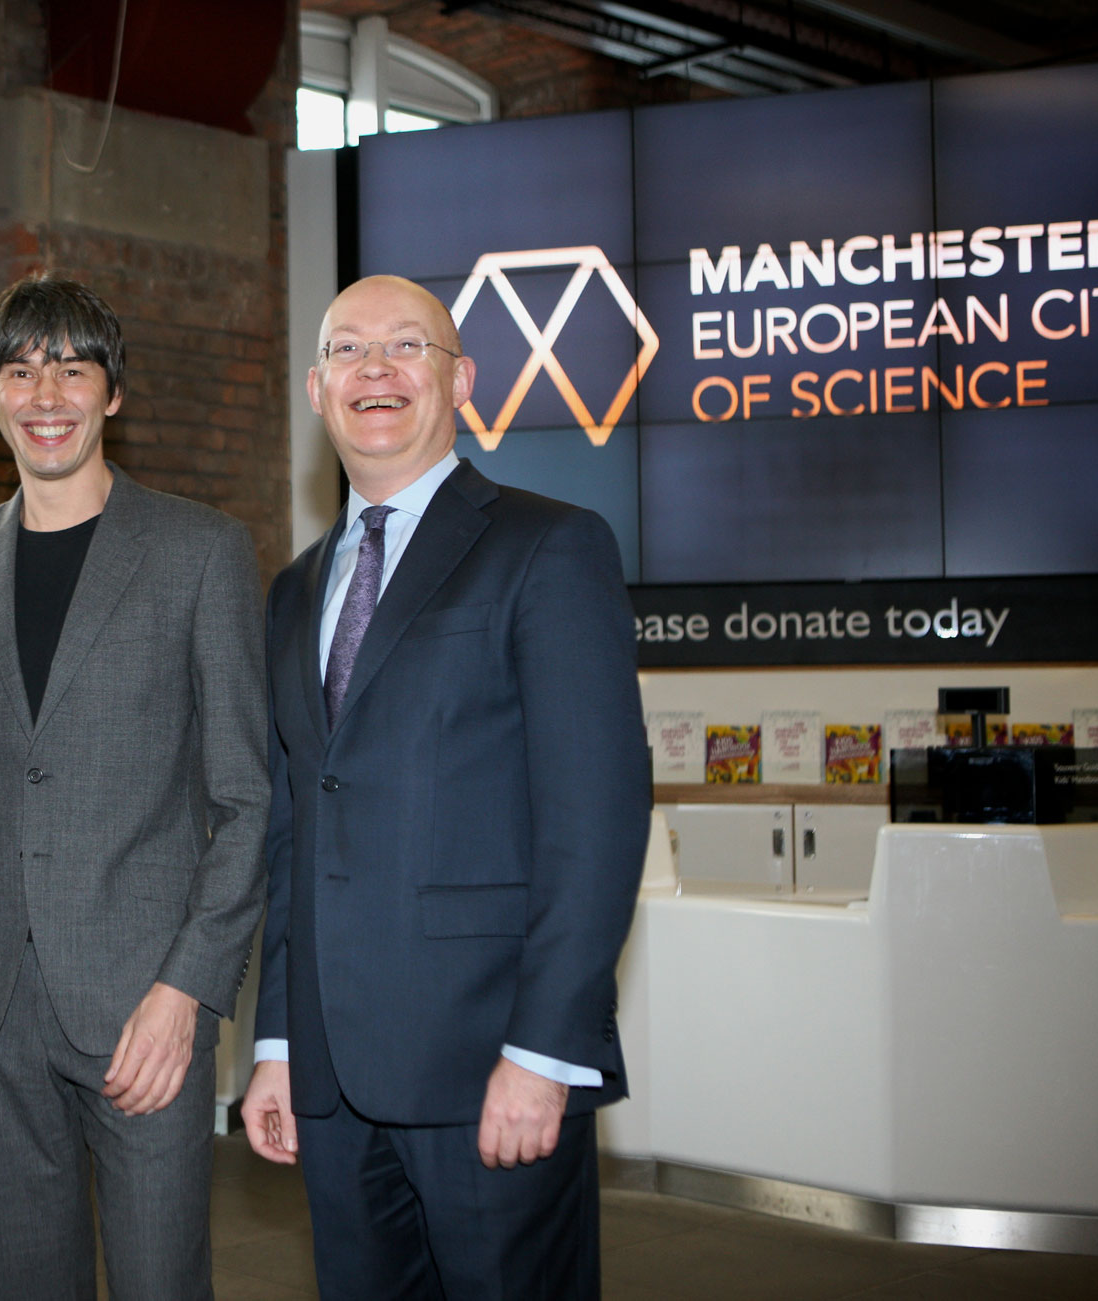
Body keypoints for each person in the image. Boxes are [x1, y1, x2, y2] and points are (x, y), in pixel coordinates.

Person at [240, 275, 651, 1299]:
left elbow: (593, 821)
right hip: (333, 1085)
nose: (375, 369)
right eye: (347, 350)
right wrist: (280, 1042)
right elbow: (296, 828)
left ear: (461, 379)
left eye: (406, 346)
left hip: (490, 1067)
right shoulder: (294, 589)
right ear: (316, 387)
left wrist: (547, 1051)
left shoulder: (549, 545)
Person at [0, 275, 269, 1299]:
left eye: (71, 366)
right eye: (18, 369)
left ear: (112, 393)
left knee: (158, 1281)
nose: (43, 391)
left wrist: (188, 988)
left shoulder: (200, 552)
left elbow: (246, 800)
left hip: (142, 1005)